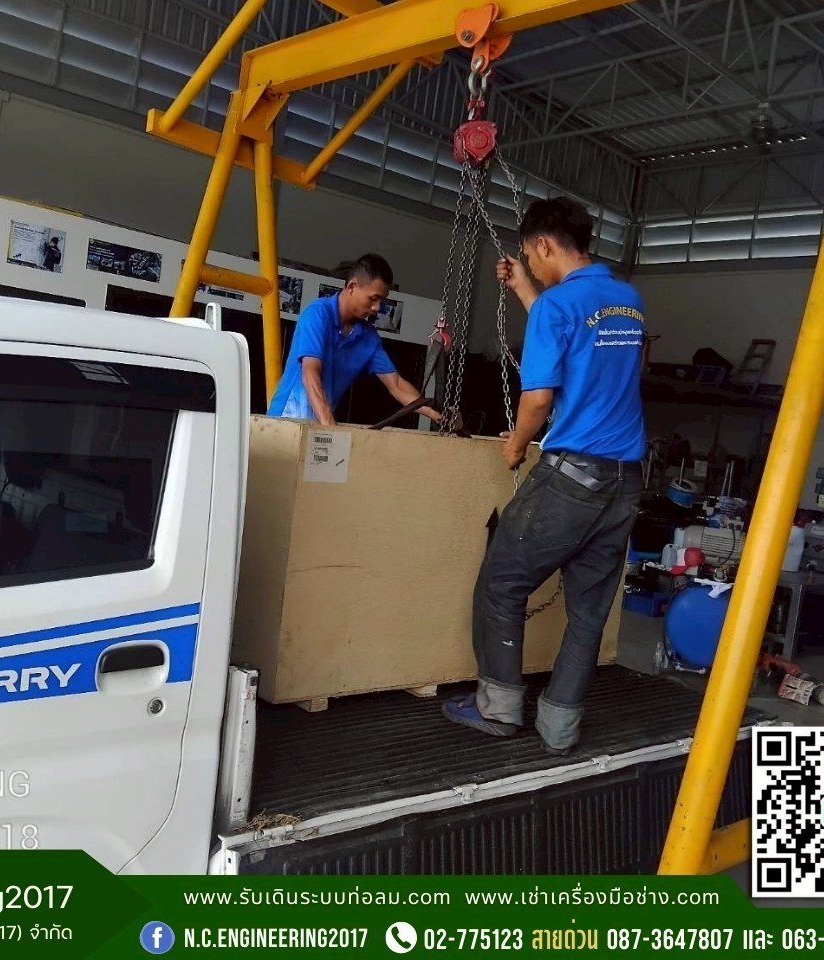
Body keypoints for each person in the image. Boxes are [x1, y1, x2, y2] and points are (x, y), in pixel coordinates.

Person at [442, 197, 646, 755]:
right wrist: (525, 290)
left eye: (531, 258)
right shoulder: (627, 301)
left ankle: (498, 708)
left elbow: (536, 400)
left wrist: (515, 445)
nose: (530, 264)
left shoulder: (558, 306)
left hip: (571, 479)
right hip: (625, 483)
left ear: (544, 245)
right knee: (588, 612)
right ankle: (559, 728)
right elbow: (586, 344)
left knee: (502, 583)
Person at [267, 254, 442, 426]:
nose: (377, 308)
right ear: (352, 287)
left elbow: (396, 385)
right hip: (285, 421)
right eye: (373, 298)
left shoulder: (368, 337)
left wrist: (435, 414)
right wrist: (330, 426)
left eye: (381, 300)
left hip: (320, 425)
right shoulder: (317, 313)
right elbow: (310, 372)